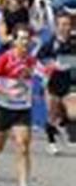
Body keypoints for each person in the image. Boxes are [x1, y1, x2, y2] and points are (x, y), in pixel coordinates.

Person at [0, 24, 40, 186]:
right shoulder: (4, 59)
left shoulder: (31, 61)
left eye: (27, 39)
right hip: (4, 108)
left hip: (23, 109)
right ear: (14, 40)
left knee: (23, 146)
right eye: (21, 38)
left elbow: (40, 75)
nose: (25, 42)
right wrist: (7, 92)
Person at [37, 11, 75, 151]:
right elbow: (40, 58)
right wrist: (51, 64)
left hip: (69, 83)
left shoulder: (74, 41)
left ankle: (68, 129)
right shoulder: (50, 43)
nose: (66, 28)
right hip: (52, 82)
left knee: (73, 112)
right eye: (63, 24)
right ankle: (51, 142)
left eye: (68, 24)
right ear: (57, 26)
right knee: (52, 114)